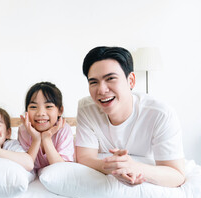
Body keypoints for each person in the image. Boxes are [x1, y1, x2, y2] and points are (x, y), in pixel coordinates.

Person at [75, 46, 185, 187]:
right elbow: (84, 157)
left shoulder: (160, 114)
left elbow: (176, 175)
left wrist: (135, 168)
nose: (102, 90)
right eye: (94, 82)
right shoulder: (86, 108)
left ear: (131, 80)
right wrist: (115, 167)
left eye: (110, 78)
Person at [18, 82, 74, 172]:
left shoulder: (64, 130)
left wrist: (46, 139)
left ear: (60, 111)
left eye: (48, 106)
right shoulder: (24, 130)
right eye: (33, 107)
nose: (40, 113)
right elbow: (27, 165)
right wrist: (36, 139)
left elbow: (63, 169)